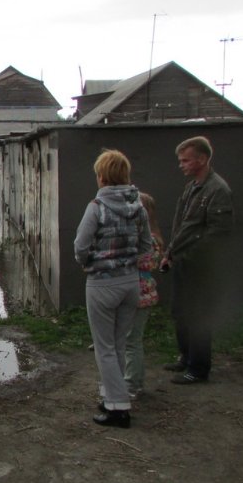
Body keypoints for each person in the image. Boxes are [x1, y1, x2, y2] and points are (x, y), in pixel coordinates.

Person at [74, 150, 151, 429]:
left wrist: (87, 262)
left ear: (103, 176)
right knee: (119, 344)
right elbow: (147, 246)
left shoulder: (96, 206)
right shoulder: (139, 207)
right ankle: (109, 396)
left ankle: (119, 409)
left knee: (104, 348)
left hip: (101, 283)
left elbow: (80, 246)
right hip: (130, 283)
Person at [160, 136, 234, 385]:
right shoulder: (192, 186)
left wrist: (191, 255)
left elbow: (218, 233)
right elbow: (182, 226)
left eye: (185, 160)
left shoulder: (217, 190)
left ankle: (198, 367)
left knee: (197, 315)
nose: (181, 165)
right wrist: (170, 253)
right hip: (183, 260)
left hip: (201, 266)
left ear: (202, 159)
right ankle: (186, 357)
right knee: (181, 312)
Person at [124, 192, 164, 398]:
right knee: (127, 339)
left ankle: (133, 384)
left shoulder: (152, 240)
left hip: (141, 295)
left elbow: (149, 263)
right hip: (133, 294)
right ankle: (129, 380)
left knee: (132, 340)